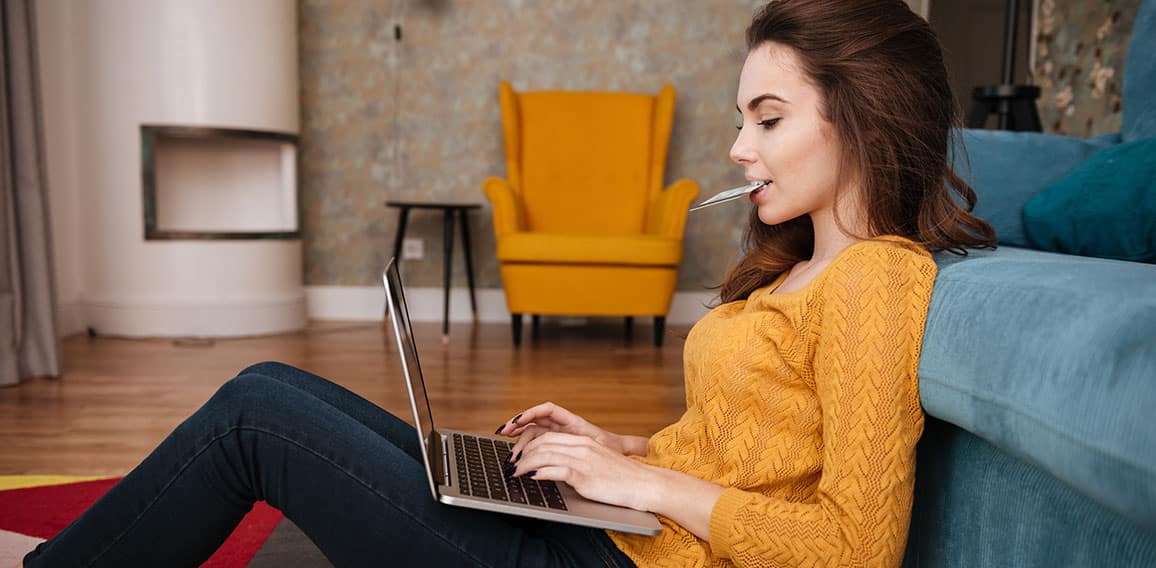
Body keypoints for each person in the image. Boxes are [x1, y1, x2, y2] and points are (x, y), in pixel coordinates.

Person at [21, 0, 995, 566]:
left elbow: (855, 547)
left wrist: (638, 480)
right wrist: (607, 447)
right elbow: (747, 454)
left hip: (614, 566)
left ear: (861, 116)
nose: (739, 146)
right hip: (618, 537)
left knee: (255, 421)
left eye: (768, 119)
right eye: (743, 117)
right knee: (271, 387)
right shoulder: (802, 266)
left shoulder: (874, 280)